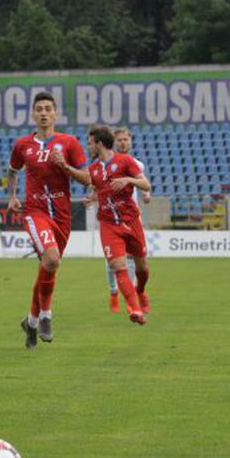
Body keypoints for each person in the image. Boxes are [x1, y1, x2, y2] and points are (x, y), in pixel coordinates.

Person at [4, 92, 88, 348]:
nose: (43, 113)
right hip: (35, 211)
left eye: (47, 109)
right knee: (51, 259)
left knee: (48, 267)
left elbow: (86, 178)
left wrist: (65, 167)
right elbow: (12, 171)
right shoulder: (22, 145)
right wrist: (12, 196)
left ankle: (30, 322)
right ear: (33, 114)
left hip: (62, 216)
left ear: (55, 114)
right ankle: (46, 317)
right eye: (39, 109)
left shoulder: (69, 143)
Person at [55, 126, 151, 324]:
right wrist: (66, 167)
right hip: (108, 224)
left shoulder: (125, 161)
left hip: (131, 220)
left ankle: (140, 291)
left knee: (142, 267)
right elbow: (88, 180)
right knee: (117, 264)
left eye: (90, 143)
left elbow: (146, 185)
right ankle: (134, 309)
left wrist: (128, 180)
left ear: (99, 143)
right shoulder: (94, 168)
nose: (88, 147)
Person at [101, 127, 150, 312]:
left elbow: (144, 183)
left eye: (125, 139)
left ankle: (133, 297)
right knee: (112, 262)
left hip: (131, 217)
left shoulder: (137, 163)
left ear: (130, 141)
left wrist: (146, 194)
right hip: (110, 217)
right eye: (119, 139)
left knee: (133, 260)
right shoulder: (105, 163)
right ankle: (114, 292)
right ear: (114, 142)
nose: (123, 142)